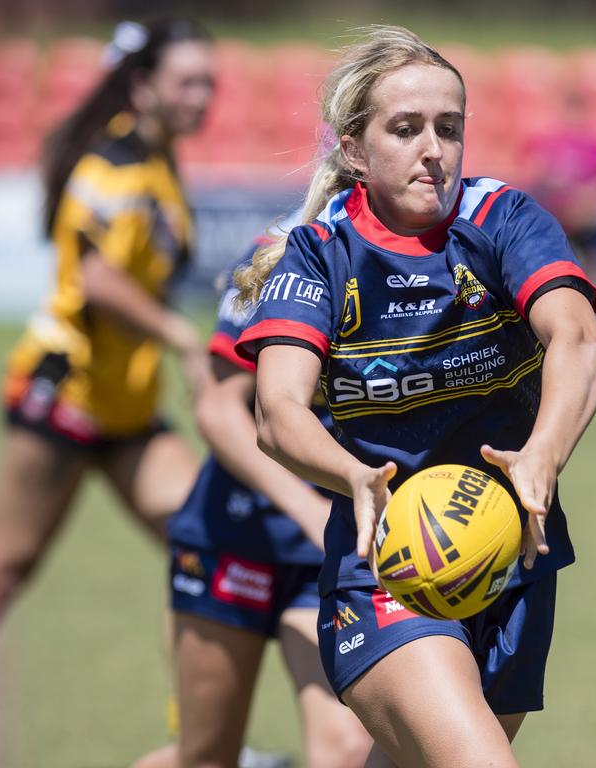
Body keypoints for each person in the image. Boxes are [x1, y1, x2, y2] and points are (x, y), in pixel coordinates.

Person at [233, 26, 596, 768]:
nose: (433, 148)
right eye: (405, 129)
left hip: (512, 556)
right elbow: (276, 412)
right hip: (386, 566)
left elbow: (579, 340)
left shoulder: (502, 220)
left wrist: (541, 457)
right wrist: (352, 477)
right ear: (354, 149)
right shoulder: (319, 252)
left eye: (449, 128)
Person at [0, 19, 215, 765]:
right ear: (143, 83)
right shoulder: (112, 166)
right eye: (188, 81)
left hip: (127, 411)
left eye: (210, 81)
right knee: (6, 563)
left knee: (203, 539)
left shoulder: (156, 160)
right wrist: (182, 336)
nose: (204, 96)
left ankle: (201, 742)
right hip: (62, 394)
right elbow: (95, 280)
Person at [135, 237, 372, 768]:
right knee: (207, 756)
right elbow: (219, 410)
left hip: (331, 551)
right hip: (233, 537)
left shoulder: (409, 254)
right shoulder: (280, 248)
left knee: (352, 749)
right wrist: (306, 509)